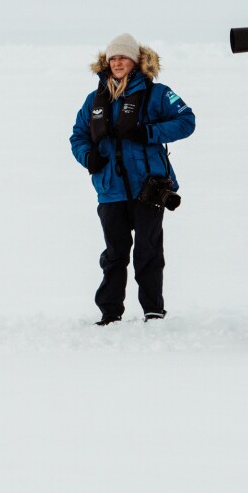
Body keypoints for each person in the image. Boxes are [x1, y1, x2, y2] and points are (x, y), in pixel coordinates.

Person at [70, 33, 196, 326]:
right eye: (113, 58)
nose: (117, 63)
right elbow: (78, 136)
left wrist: (149, 132)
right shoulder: (94, 100)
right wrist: (88, 157)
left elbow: (186, 121)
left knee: (148, 252)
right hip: (110, 189)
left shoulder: (158, 94)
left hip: (148, 189)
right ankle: (110, 313)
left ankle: (153, 310)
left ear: (136, 61)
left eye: (123, 57)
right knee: (114, 254)